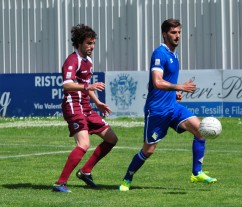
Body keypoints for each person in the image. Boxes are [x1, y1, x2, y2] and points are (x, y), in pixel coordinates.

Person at [119, 19, 217, 192]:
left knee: (200, 130)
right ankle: (127, 178)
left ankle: (197, 172)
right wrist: (179, 87)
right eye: (173, 33)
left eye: (179, 32)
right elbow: (157, 82)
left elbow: (166, 82)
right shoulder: (159, 54)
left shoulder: (174, 54)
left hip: (172, 107)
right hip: (157, 110)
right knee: (148, 150)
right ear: (165, 34)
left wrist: (174, 93)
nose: (177, 36)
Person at [52, 24, 118, 193]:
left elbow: (87, 88)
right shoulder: (72, 60)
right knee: (84, 143)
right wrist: (89, 86)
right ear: (80, 43)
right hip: (73, 106)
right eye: (89, 43)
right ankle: (60, 183)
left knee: (111, 139)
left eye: (93, 43)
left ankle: (86, 171)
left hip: (86, 107)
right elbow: (67, 85)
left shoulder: (88, 61)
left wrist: (97, 102)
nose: (92, 47)